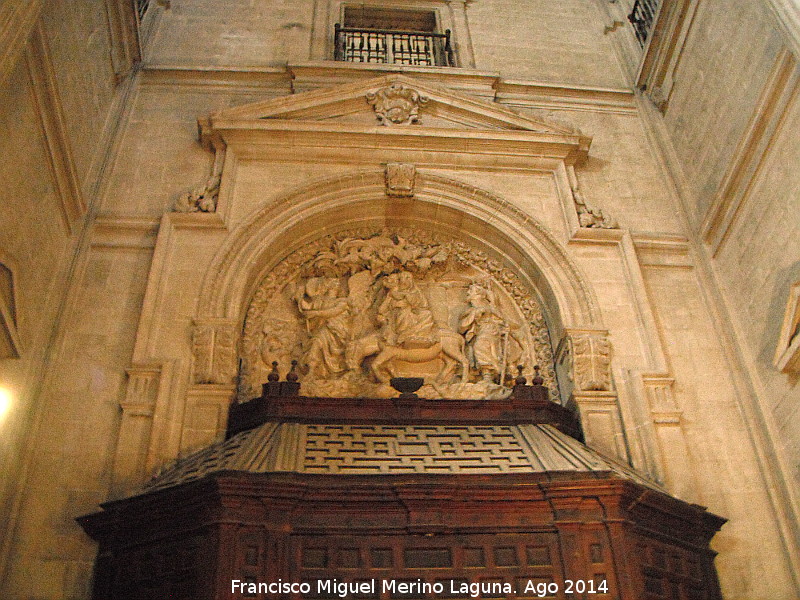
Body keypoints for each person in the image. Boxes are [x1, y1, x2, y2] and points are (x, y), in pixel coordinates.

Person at [377, 271, 436, 348]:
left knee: (427, 314)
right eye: (401, 279)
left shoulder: (415, 292)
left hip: (414, 315)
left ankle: (413, 335)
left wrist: (409, 299)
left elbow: (423, 304)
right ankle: (403, 335)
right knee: (404, 313)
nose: (404, 281)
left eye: (408, 278)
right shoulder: (393, 294)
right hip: (397, 316)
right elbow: (382, 310)